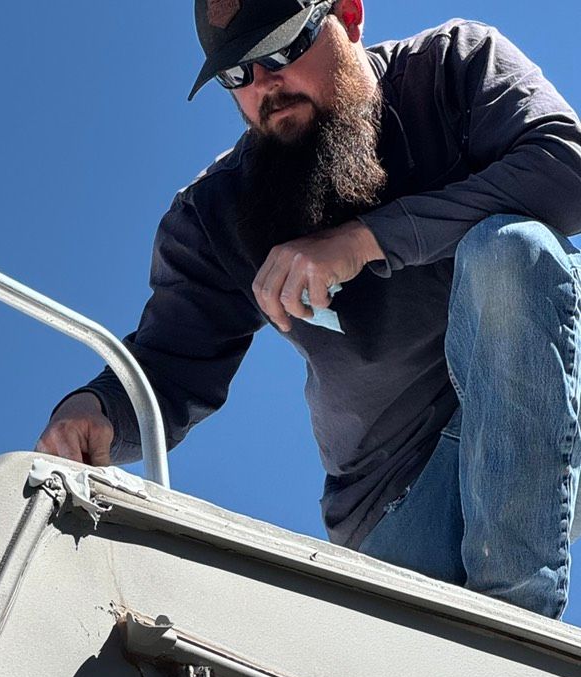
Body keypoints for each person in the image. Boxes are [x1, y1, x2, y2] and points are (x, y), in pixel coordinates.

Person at [36, 1, 581, 618]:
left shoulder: (452, 67)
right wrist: (98, 407)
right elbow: (171, 364)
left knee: (514, 251)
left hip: (547, 419)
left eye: (282, 49)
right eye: (237, 73)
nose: (265, 84)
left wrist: (367, 240)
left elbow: (565, 168)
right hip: (396, 500)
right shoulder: (212, 216)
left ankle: (514, 634)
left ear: (348, 16)